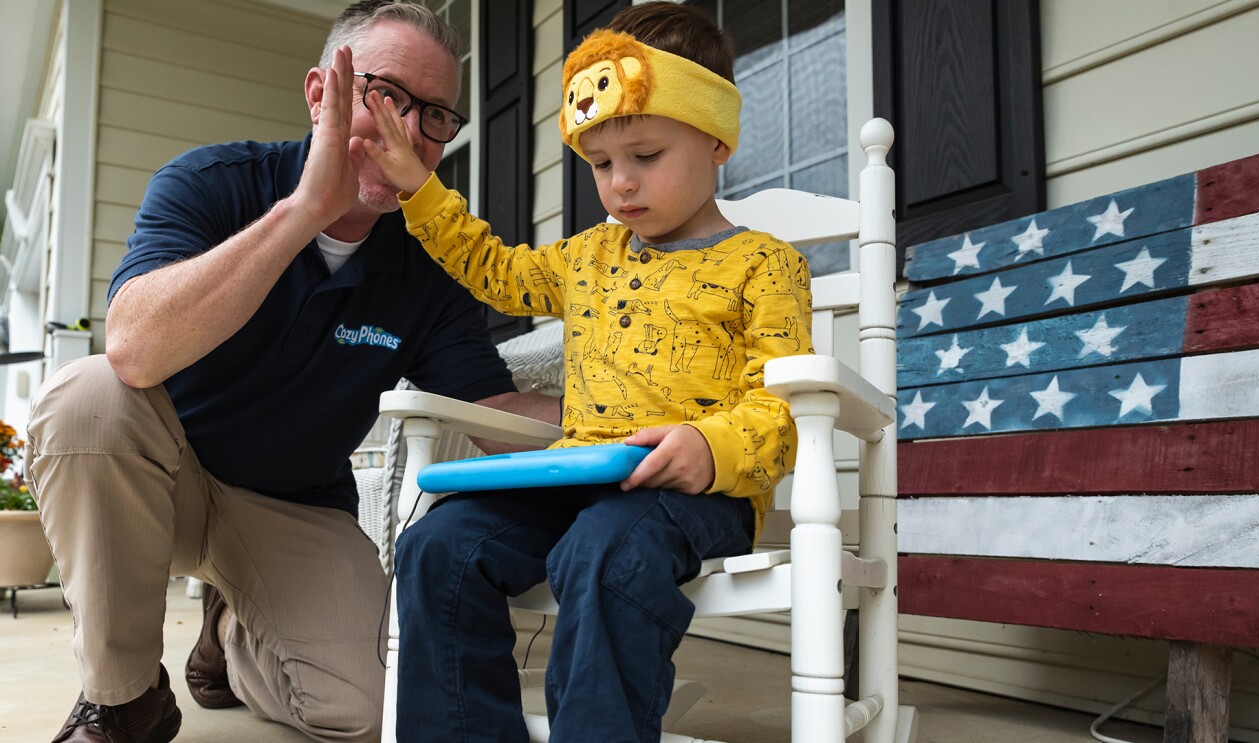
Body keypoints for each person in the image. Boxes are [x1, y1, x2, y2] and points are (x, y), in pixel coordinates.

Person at [27, 2, 557, 742]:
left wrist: (636, 413)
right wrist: (307, 209)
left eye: (435, 114)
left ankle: (232, 638)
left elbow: (492, 406)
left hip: (295, 507)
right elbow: (134, 348)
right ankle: (122, 700)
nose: (410, 130)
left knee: (373, 708)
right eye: (385, 96)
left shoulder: (427, 262)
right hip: (162, 481)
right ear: (321, 94)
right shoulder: (214, 182)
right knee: (86, 398)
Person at [367, 2, 814, 739]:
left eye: (645, 156)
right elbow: (494, 270)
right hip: (574, 482)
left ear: (716, 141)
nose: (620, 185)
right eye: (601, 163)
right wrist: (419, 188)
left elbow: (780, 409)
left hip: (695, 490)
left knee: (602, 548)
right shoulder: (589, 258)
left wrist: (708, 447)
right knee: (436, 547)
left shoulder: (764, 265)